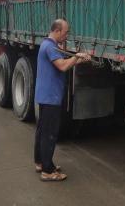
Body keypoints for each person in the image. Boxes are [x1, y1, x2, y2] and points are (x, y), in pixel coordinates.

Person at [34, 19, 91, 182]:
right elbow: (62, 66)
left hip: (45, 95)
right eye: (66, 32)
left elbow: (65, 62)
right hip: (50, 97)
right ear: (57, 31)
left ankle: (41, 162)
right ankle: (47, 171)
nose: (66, 36)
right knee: (49, 134)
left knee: (42, 131)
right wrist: (76, 57)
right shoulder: (50, 47)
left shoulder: (47, 45)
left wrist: (79, 59)